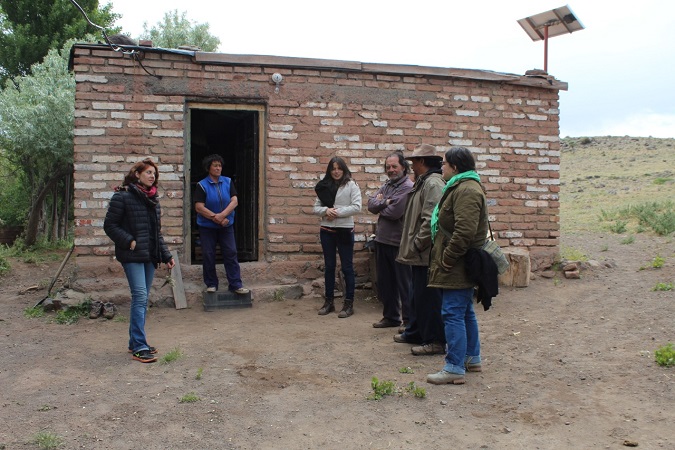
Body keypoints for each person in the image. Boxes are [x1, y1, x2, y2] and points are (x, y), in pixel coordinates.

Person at [426, 146, 489, 385]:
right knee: (463, 312)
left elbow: (464, 231)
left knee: (452, 313)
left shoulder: (467, 190)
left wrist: (448, 258)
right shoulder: (461, 187)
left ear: (455, 166)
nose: (441, 167)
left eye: (443, 163)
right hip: (457, 262)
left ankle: (454, 367)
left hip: (458, 264)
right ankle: (471, 358)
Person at [104, 158, 175, 363]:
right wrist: (130, 242)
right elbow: (110, 226)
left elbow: (156, 233)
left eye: (154, 173)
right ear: (137, 174)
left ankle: (134, 342)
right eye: (148, 172)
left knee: (142, 300)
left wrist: (167, 255)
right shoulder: (122, 196)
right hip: (132, 254)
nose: (152, 176)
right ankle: (139, 346)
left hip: (149, 255)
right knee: (140, 296)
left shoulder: (153, 200)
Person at [395, 144, 447, 356]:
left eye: (414, 161)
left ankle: (434, 340)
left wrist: (418, 243)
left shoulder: (433, 184)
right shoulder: (423, 182)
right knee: (417, 295)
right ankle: (415, 331)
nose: (412, 164)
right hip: (419, 254)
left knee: (429, 298)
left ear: (423, 162)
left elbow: (430, 218)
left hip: (426, 253)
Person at [367, 152, 413, 328]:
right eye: (388, 167)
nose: (391, 170)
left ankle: (408, 321)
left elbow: (395, 213)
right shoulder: (388, 185)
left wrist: (381, 204)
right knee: (386, 283)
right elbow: (371, 205)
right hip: (382, 240)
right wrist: (386, 202)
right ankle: (391, 317)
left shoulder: (407, 187)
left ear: (403, 167)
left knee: (404, 284)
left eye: (394, 166)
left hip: (398, 242)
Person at [313, 156, 362, 318]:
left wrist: (336, 212)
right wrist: (325, 211)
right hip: (326, 230)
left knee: (347, 267)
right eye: (333, 168)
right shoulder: (323, 186)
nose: (336, 171)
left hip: (345, 230)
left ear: (344, 169)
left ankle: (349, 303)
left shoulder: (351, 185)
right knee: (329, 266)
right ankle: (329, 302)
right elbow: (316, 207)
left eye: (339, 168)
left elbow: (357, 207)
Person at [194, 154, 249, 295]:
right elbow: (199, 207)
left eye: (220, 165)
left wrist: (223, 216)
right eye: (215, 165)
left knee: (231, 252)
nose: (218, 168)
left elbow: (234, 201)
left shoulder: (228, 181)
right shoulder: (202, 185)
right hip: (207, 227)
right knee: (208, 254)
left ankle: (235, 284)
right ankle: (211, 284)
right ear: (208, 168)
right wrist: (215, 218)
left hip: (226, 225)